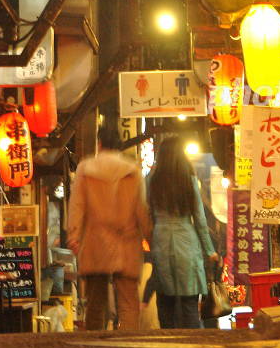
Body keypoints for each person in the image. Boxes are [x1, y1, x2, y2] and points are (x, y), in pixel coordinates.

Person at [67, 125, 151, 332]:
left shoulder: (86, 169)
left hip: (96, 241)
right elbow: (141, 209)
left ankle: (94, 344)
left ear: (100, 143)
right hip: (127, 242)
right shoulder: (133, 171)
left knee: (96, 301)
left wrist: (74, 235)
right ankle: (129, 344)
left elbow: (77, 205)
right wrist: (150, 235)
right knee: (128, 303)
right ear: (119, 145)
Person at [147, 135, 218, 329]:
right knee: (189, 303)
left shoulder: (153, 180)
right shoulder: (189, 179)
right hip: (186, 241)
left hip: (161, 240)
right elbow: (200, 219)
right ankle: (194, 347)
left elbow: (149, 214)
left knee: (165, 300)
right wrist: (209, 249)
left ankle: (168, 343)